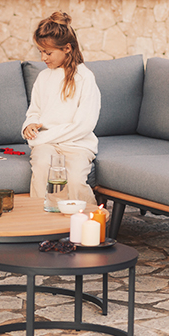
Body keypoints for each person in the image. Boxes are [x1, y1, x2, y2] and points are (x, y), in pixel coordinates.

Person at [22, 12, 101, 208]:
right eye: (41, 52)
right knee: (41, 169)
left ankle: (88, 222)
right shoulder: (43, 78)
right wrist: (29, 126)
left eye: (48, 53)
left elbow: (84, 125)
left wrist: (42, 138)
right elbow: (34, 110)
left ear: (67, 48)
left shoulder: (85, 78)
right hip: (46, 145)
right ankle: (39, 224)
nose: (43, 58)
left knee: (74, 181)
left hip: (77, 145)